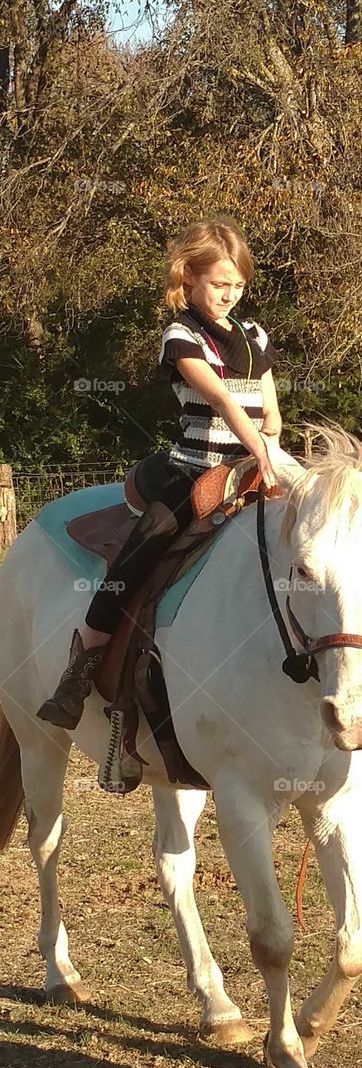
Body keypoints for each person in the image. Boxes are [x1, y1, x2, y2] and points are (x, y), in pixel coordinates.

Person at [38, 217, 282, 785]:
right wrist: (257, 451)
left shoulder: (256, 336)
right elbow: (221, 399)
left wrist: (271, 452)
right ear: (189, 279)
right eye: (219, 283)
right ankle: (80, 671)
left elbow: (270, 409)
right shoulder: (180, 337)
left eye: (238, 286)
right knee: (141, 550)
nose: (229, 295)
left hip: (253, 468)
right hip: (191, 470)